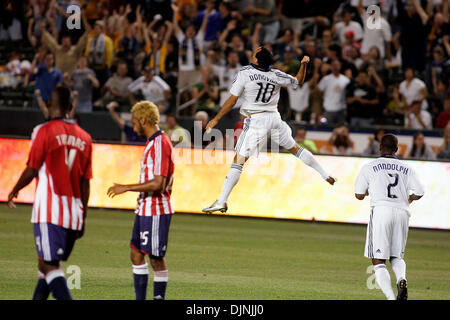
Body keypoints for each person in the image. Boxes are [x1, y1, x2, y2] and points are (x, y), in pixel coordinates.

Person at [202, 48, 335, 213]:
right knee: (295, 148)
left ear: (256, 59)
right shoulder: (276, 74)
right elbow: (298, 81)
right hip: (274, 118)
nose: (252, 52)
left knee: (239, 160)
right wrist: (303, 65)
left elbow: (232, 99)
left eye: (255, 52)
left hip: (256, 120)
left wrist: (216, 118)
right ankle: (324, 173)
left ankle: (221, 201)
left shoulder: (245, 72)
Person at [7, 86, 93, 300]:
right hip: (73, 214)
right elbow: (86, 183)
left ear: (50, 104)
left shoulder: (44, 131)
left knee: (48, 265)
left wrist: (14, 190)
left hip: (49, 211)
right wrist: (82, 216)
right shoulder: (85, 138)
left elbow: (32, 169)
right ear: (71, 107)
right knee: (45, 265)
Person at [107, 101, 174, 300]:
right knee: (136, 254)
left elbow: (157, 183)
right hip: (144, 208)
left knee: (156, 259)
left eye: (134, 121)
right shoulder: (153, 142)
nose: (133, 125)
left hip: (156, 209)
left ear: (143, 120)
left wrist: (126, 187)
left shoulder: (160, 142)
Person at [355, 134, 424, 300]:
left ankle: (391, 298)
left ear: (380, 147)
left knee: (378, 260)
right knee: (396, 256)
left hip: (381, 211)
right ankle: (401, 278)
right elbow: (420, 192)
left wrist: (367, 191)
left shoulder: (369, 167)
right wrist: (409, 199)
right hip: (402, 212)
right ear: (397, 149)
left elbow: (358, 194)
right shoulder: (407, 168)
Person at [317, 59, 351, 125]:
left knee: (340, 129)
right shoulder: (326, 79)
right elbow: (318, 91)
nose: (335, 67)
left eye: (337, 65)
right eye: (333, 65)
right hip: (328, 109)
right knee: (326, 129)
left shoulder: (345, 80)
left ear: (340, 66)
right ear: (331, 67)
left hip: (341, 110)